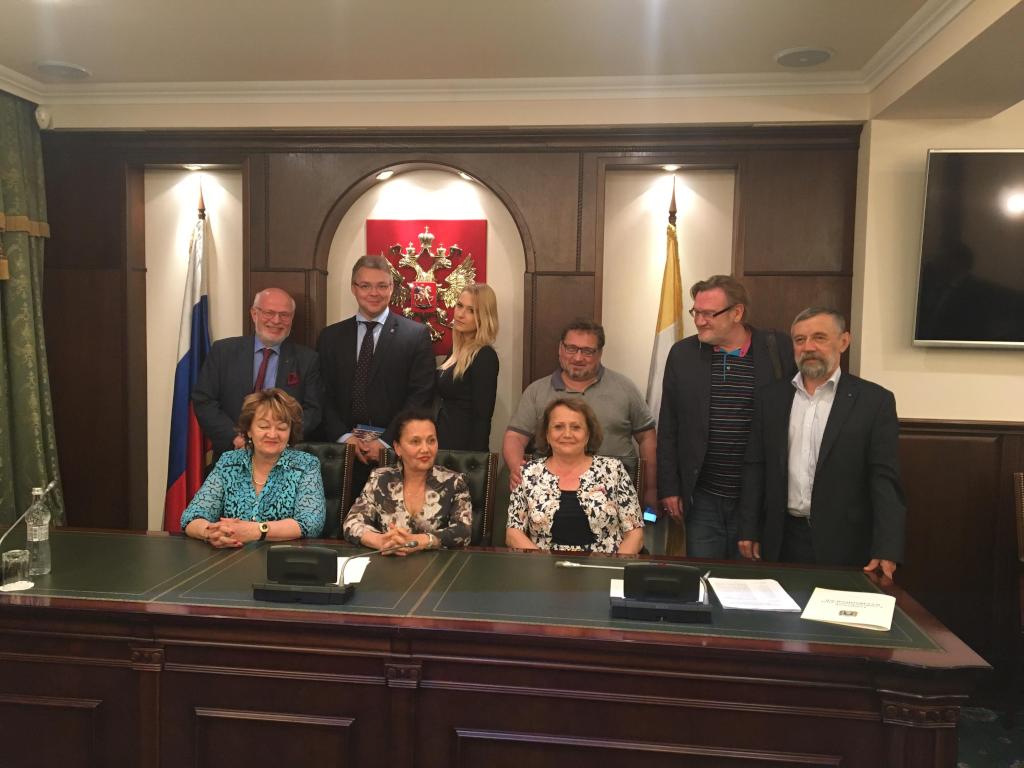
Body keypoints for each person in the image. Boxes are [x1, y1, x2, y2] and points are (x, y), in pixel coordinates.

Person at [737, 307, 906, 580]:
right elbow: (755, 467)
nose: (808, 347)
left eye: (819, 337)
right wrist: (749, 528)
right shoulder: (771, 398)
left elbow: (884, 479)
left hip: (847, 544)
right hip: (781, 539)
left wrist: (887, 547)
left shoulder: (874, 402)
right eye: (800, 340)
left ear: (844, 341)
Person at [657, 275, 795, 559]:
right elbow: (669, 425)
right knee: (704, 576)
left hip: (758, 499)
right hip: (703, 498)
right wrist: (670, 487)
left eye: (709, 313)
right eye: (696, 312)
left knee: (751, 578)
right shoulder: (683, 354)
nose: (699, 321)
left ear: (737, 312)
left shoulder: (777, 348)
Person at [503, 320, 657, 510]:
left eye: (587, 351)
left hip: (616, 494)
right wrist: (517, 468)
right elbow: (515, 437)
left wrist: (651, 488)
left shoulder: (625, 388)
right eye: (571, 349)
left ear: (599, 353)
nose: (577, 357)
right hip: (550, 495)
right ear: (560, 349)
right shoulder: (537, 391)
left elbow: (647, 437)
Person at [317, 254, 435, 484]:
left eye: (382, 286)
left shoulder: (415, 335)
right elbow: (322, 393)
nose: (374, 293)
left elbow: (420, 396)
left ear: (392, 288)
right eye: (365, 286)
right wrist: (344, 437)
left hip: (395, 454)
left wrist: (386, 441)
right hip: (341, 455)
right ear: (353, 288)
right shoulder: (330, 337)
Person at [181, 388, 326, 547]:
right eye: (264, 426)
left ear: (290, 432)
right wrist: (211, 533)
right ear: (249, 430)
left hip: (281, 557)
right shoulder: (229, 462)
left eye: (281, 428)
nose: (272, 434)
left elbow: (311, 523)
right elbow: (192, 517)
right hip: (232, 556)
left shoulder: (306, 465)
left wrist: (258, 531)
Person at [192, 287, 322, 461]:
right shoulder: (223, 351)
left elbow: (313, 411)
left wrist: (279, 438)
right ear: (254, 314)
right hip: (231, 454)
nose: (276, 320)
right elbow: (204, 400)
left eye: (284, 315)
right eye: (269, 313)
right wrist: (235, 438)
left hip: (285, 457)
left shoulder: (308, 359)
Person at [506, 398, 643, 554]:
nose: (567, 434)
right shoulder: (527, 473)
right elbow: (513, 533)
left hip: (604, 564)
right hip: (541, 564)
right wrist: (540, 563)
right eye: (558, 427)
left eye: (576, 427)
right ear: (547, 434)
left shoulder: (613, 470)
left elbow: (635, 534)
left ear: (588, 434)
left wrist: (613, 566)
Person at [343, 410, 472, 553]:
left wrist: (421, 541)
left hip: (436, 564)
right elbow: (352, 522)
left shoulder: (454, 482)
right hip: (389, 561)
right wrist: (381, 541)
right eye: (415, 442)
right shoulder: (380, 479)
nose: (425, 449)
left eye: (431, 441)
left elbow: (463, 531)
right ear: (398, 448)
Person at [436, 283, 500, 451]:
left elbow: (482, 417)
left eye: (471, 310)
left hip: (462, 451)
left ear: (484, 317)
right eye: (459, 306)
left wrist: (476, 460)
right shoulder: (456, 349)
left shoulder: (484, 356)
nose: (461, 314)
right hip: (442, 443)